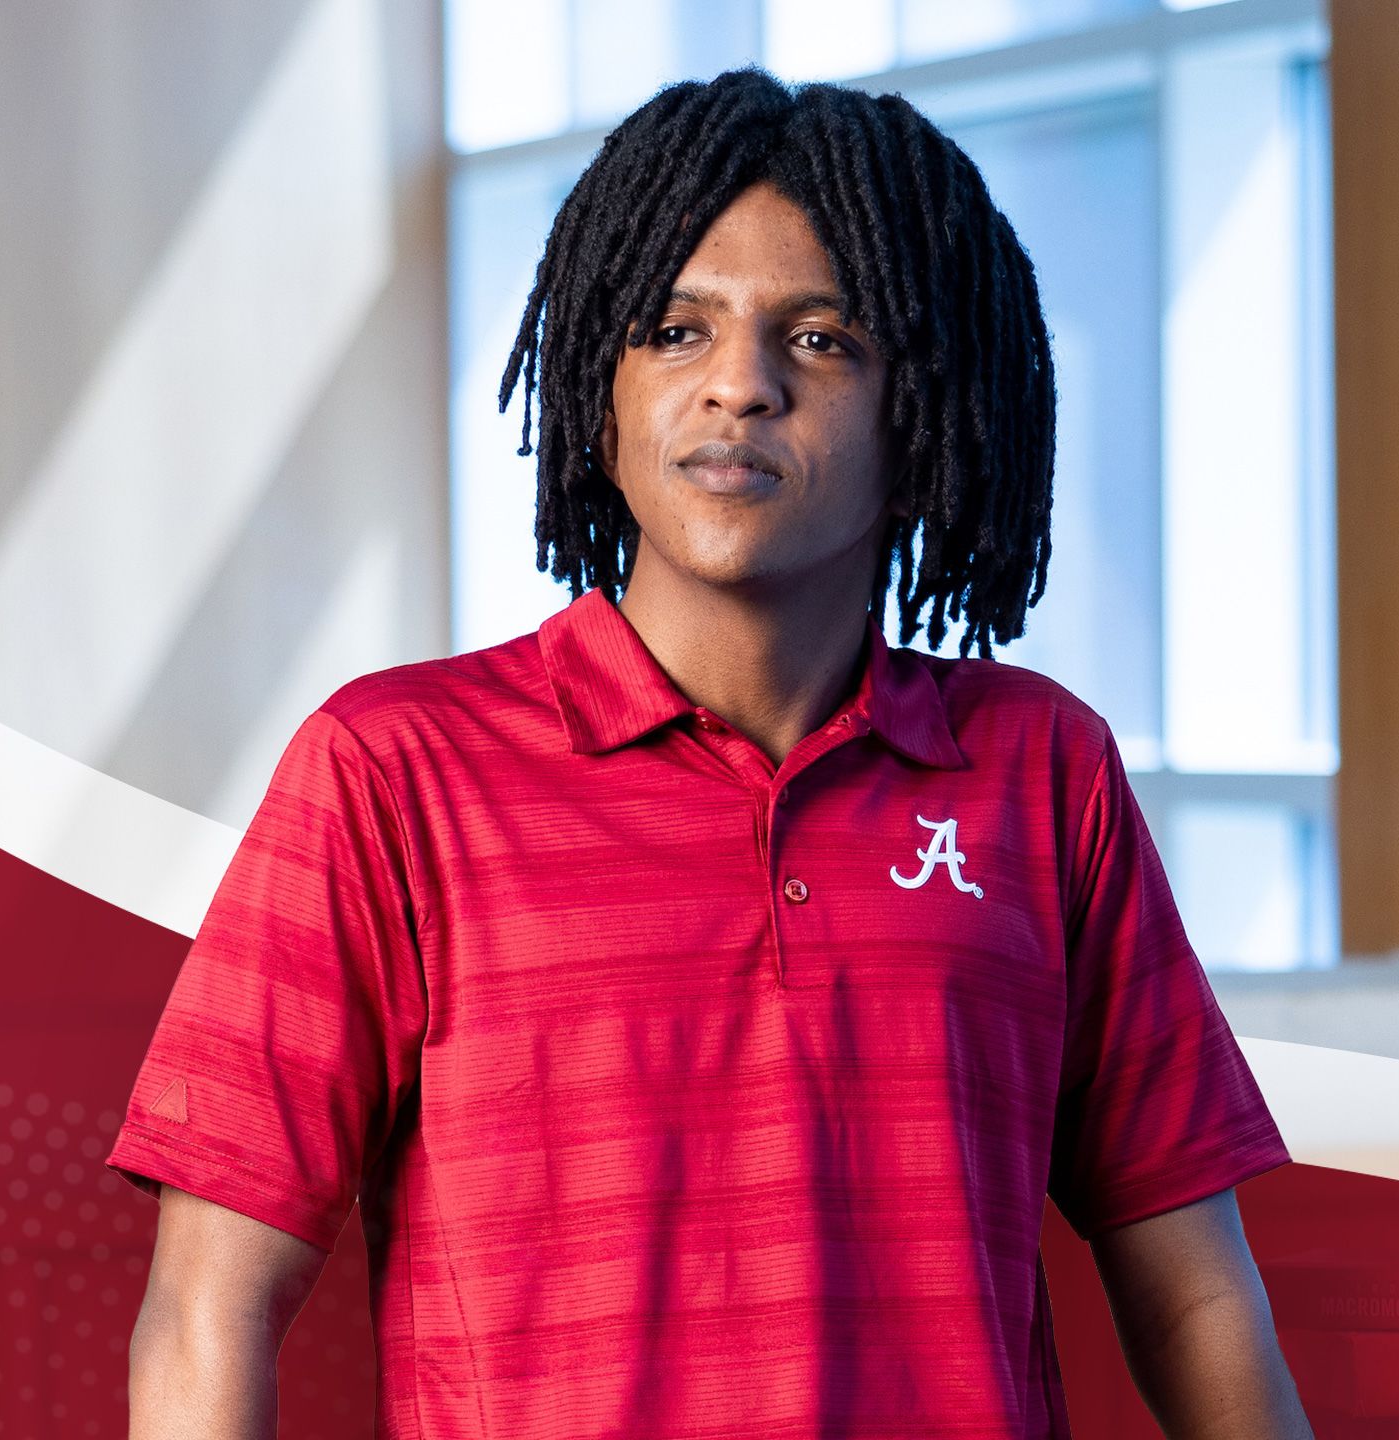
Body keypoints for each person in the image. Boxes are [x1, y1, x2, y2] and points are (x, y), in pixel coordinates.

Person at [111, 66, 1313, 1440]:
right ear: (599, 392)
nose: (739, 387)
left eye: (823, 341)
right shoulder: (391, 771)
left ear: (922, 410)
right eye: (677, 330)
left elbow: (1196, 1297)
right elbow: (210, 1306)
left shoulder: (1043, 774)